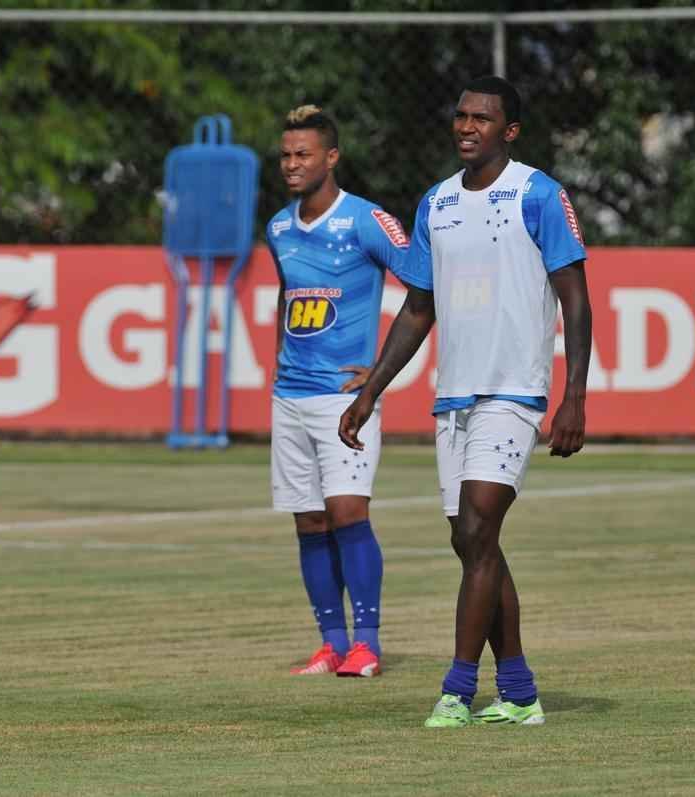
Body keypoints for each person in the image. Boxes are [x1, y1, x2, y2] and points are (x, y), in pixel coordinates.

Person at [339, 76, 593, 726]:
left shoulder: (538, 194)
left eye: (483, 117)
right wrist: (371, 391)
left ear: (511, 131)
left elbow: (575, 296)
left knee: (480, 527)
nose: (467, 126)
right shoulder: (435, 204)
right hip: (452, 396)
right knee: (471, 541)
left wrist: (574, 398)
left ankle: (457, 687)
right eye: (460, 115)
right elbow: (417, 308)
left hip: (513, 391)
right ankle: (521, 690)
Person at [266, 105, 412, 678]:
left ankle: (367, 644)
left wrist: (376, 377)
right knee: (308, 522)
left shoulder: (369, 221)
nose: (292, 165)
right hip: (290, 396)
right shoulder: (278, 227)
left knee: (348, 511)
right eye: (285, 155)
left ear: (331, 157)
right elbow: (287, 296)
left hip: (344, 399)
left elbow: (421, 289)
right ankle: (330, 643)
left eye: (303, 155)